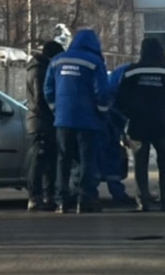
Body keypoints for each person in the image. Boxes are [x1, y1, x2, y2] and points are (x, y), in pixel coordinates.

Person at [44, 29, 110, 214]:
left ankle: (62, 201)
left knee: (63, 159)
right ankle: (85, 199)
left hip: (63, 120)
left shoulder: (58, 60)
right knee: (87, 160)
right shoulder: (94, 62)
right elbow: (102, 92)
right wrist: (103, 113)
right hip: (88, 121)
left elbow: (48, 88)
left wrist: (56, 109)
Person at [117, 38, 165, 211]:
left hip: (138, 123)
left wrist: (125, 118)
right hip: (162, 123)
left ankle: (143, 202)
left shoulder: (131, 71)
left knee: (140, 165)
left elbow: (120, 97)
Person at [25, 41, 65, 211]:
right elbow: (42, 98)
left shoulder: (35, 68)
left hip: (39, 120)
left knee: (47, 159)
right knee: (40, 160)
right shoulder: (40, 70)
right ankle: (35, 196)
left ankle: (46, 196)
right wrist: (54, 112)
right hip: (42, 121)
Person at [97, 63, 134, 205]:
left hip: (108, 116)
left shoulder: (120, 73)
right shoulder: (128, 74)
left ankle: (86, 194)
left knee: (101, 155)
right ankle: (116, 193)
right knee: (110, 155)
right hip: (111, 117)